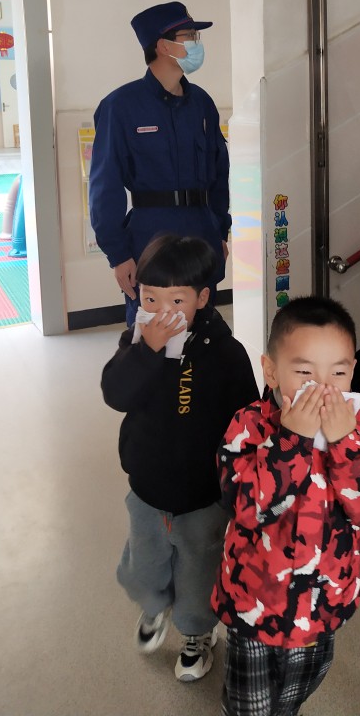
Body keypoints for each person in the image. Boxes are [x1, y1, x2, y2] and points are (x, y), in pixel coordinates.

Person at [211, 295, 360, 716]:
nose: (323, 388)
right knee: (249, 705)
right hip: (255, 606)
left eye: (338, 372)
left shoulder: (355, 427)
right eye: (304, 373)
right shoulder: (248, 426)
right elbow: (247, 508)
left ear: (353, 371)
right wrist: (291, 439)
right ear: (271, 372)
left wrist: (346, 442)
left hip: (322, 605)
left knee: (296, 692)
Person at [101, 234, 258, 683]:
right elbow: (115, 394)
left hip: (203, 495)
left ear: (202, 298)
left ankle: (196, 633)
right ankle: (153, 607)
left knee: (197, 571)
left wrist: (240, 485)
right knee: (145, 563)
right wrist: (145, 351)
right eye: (150, 298)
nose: (162, 312)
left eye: (176, 300)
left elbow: (246, 419)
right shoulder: (137, 342)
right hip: (147, 485)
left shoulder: (225, 353)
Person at [90, 0, 230, 326]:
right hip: (150, 234)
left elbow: (218, 174)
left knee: (202, 328)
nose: (196, 43)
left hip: (201, 231)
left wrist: (220, 230)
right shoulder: (120, 106)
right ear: (163, 45)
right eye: (189, 36)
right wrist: (118, 254)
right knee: (152, 332)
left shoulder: (202, 104)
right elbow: (105, 185)